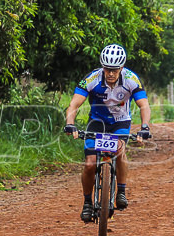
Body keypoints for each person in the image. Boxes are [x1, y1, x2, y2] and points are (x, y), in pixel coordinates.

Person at [63, 44, 151, 222]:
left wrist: (145, 127)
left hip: (120, 122)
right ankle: (87, 202)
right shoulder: (92, 79)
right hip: (97, 123)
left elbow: (144, 105)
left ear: (122, 67)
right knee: (89, 163)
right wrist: (70, 124)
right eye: (107, 69)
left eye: (115, 70)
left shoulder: (131, 79)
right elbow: (74, 104)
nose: (110, 74)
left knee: (119, 152)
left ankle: (122, 191)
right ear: (102, 67)